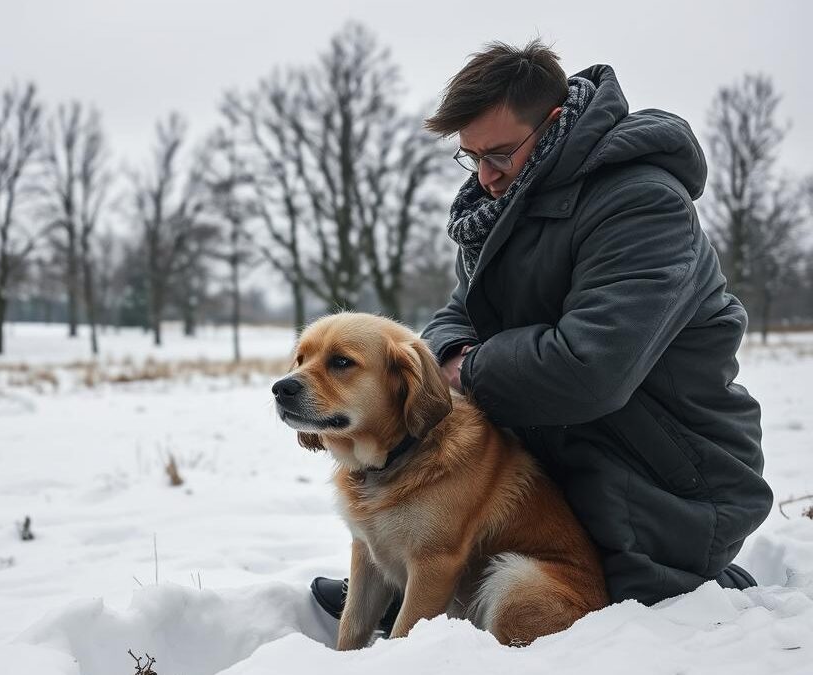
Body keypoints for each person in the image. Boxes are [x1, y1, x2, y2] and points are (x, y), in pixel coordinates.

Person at [310, 39, 772, 625]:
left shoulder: (642, 206)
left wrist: (467, 368)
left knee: (614, 611)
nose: (485, 175)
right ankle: (420, 583)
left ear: (554, 124)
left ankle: (705, 580)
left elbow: (590, 369)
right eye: (470, 157)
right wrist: (450, 355)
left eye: (499, 153)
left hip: (661, 482)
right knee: (457, 537)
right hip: (561, 466)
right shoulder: (503, 209)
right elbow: (454, 319)